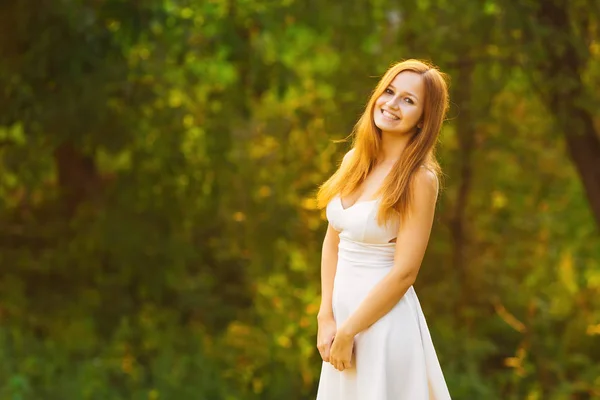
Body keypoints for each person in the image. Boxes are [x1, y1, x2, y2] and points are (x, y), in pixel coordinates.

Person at [314, 59, 452, 399]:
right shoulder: (354, 161)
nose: (391, 104)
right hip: (341, 325)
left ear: (424, 118)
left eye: (408, 100)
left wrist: (350, 332)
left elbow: (405, 272)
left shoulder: (420, 179)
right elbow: (333, 241)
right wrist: (326, 317)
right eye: (389, 91)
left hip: (382, 327)